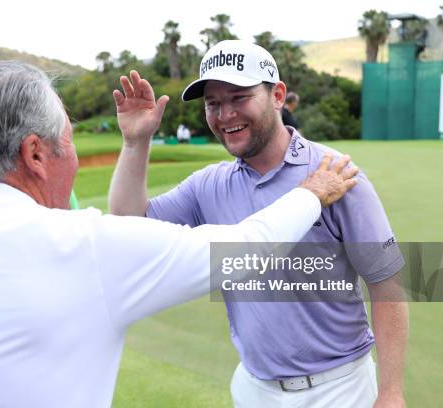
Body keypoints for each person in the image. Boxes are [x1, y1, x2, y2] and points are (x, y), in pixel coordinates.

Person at [0, 61, 357, 407]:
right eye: (67, 140)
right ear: (35, 155)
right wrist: (313, 191)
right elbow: (244, 251)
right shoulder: (82, 247)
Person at [109, 40, 408, 408]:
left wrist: (391, 392)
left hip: (340, 388)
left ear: (277, 94)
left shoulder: (336, 173)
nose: (225, 115)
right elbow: (129, 224)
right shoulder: (208, 185)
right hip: (255, 388)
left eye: (239, 97)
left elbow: (386, 283)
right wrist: (136, 143)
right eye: (213, 104)